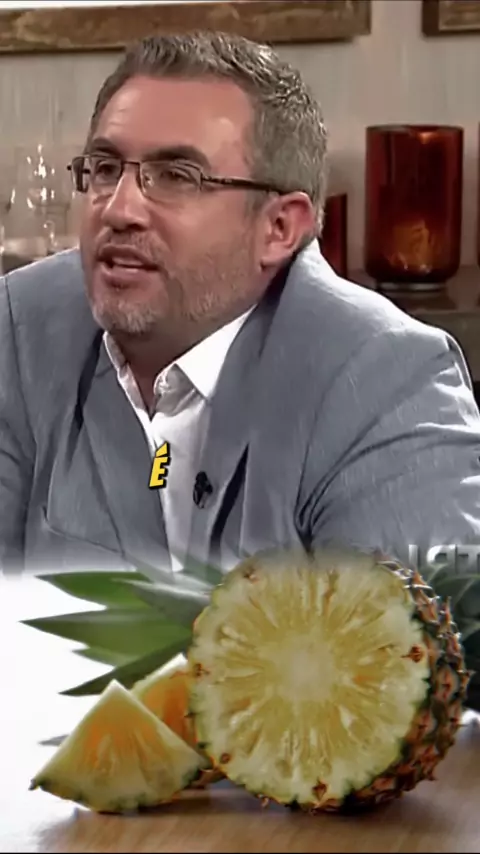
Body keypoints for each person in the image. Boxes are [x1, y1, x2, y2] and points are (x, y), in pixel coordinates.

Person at [1, 30, 480, 577]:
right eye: (106, 169)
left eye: (176, 177)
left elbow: (399, 628)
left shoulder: (385, 381)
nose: (119, 209)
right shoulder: (23, 326)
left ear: (279, 228)